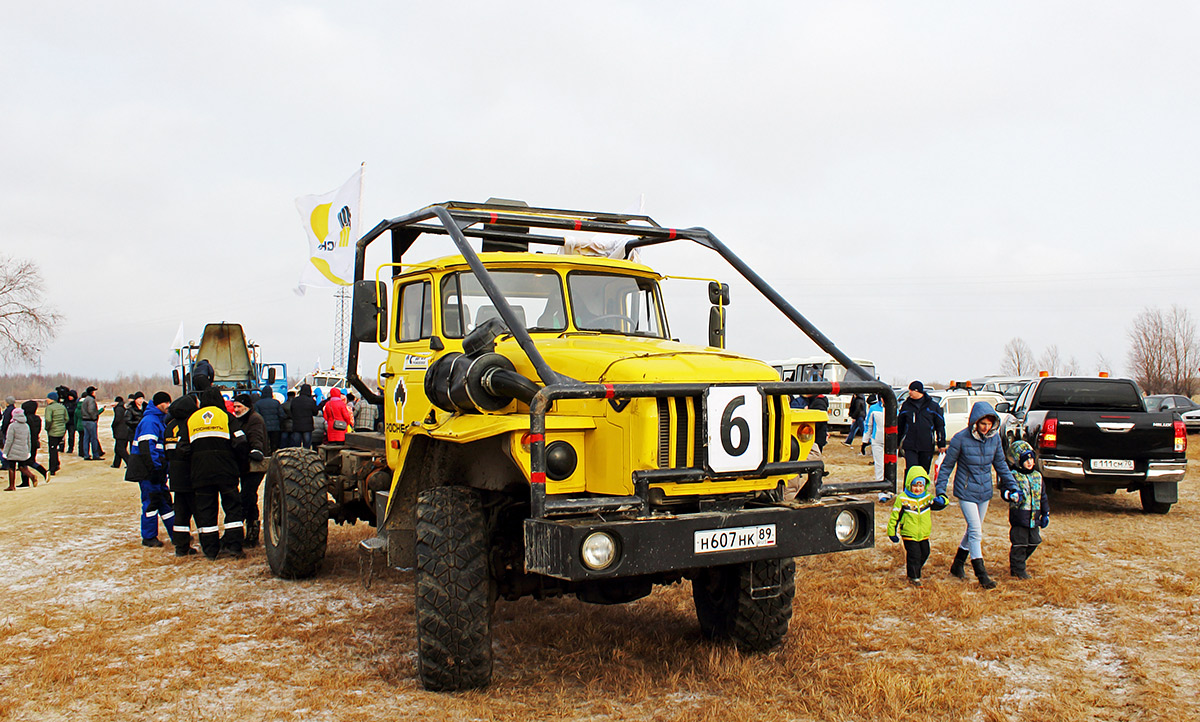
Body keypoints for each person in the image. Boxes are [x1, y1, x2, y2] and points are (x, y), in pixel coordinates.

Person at [934, 400, 1019, 590]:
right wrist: (940, 490)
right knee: (975, 530)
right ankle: (981, 574)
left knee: (974, 529)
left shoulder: (995, 439)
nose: (986, 427)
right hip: (966, 491)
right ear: (974, 422)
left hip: (984, 491)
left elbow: (1001, 465)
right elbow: (947, 467)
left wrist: (1012, 486)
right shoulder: (960, 438)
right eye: (982, 424)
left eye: (989, 424)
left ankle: (957, 565)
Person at [184, 387, 246, 559]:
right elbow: (240, 441)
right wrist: (241, 464)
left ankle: (210, 550)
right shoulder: (226, 417)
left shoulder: (192, 419)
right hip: (226, 471)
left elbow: (183, 448)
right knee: (232, 508)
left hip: (200, 474)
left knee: (206, 510)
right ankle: (234, 546)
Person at [125, 392, 176, 548]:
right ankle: (148, 537)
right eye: (165, 403)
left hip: (157, 469)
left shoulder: (159, 420)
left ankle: (176, 534)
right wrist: (154, 469)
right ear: (158, 404)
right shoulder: (150, 421)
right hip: (149, 471)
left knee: (165, 502)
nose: (168, 406)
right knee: (151, 502)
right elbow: (147, 447)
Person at [886, 465, 942, 586]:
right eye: (915, 485)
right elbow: (895, 517)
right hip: (909, 533)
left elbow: (938, 505)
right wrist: (892, 532)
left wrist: (943, 500)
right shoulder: (902, 499)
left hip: (923, 533)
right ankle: (913, 576)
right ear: (909, 485)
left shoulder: (927, 498)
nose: (918, 489)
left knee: (925, 552)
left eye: (921, 486)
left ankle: (916, 568)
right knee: (914, 554)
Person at [1006, 440, 1050, 579]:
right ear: (1019, 461)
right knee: (1020, 543)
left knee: (1034, 541)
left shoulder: (1037, 476)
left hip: (1034, 516)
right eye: (1026, 459)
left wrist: (1045, 513)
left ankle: (1018, 562)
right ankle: (1018, 569)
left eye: (1031, 458)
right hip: (1020, 516)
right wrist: (1011, 495)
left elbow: (1043, 496)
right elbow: (1005, 491)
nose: (1030, 462)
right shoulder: (1014, 475)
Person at [231, 394, 268, 547]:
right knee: (248, 497)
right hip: (246, 464)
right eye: (234, 407)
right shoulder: (242, 419)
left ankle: (250, 534)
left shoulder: (254, 419)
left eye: (239, 407)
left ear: (247, 406)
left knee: (247, 497)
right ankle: (250, 535)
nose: (236, 410)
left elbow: (256, 437)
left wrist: (256, 450)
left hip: (255, 465)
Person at [165, 395, 200, 556]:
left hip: (176, 476)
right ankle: (208, 545)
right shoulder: (191, 424)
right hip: (190, 474)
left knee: (181, 513)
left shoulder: (170, 425)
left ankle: (181, 546)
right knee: (199, 511)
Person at [897, 381, 946, 473]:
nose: (909, 392)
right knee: (911, 470)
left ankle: (923, 487)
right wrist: (897, 441)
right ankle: (908, 487)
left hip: (926, 445)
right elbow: (900, 425)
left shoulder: (933, 406)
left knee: (923, 471)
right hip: (910, 445)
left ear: (917, 391)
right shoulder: (906, 406)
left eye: (911, 390)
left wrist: (941, 443)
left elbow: (940, 426)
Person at [3, 407, 40, 490]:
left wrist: (5, 452)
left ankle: (12, 486)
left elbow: (9, 440)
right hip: (23, 449)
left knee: (11, 467)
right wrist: (28, 451)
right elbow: (28, 439)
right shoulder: (26, 426)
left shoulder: (12, 426)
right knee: (22, 466)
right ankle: (32, 476)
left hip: (13, 450)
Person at [20, 400, 49, 481]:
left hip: (27, 443)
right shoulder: (37, 418)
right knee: (28, 461)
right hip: (35, 442)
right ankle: (25, 480)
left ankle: (43, 472)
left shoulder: (26, 419)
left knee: (26, 462)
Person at [254, 386, 284, 453]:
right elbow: (281, 415)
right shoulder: (276, 402)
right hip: (275, 427)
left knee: (265, 444)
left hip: (264, 428)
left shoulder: (258, 403)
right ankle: (274, 454)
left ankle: (267, 455)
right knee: (274, 444)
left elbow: (257, 416)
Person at [44, 391, 68, 476]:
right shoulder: (62, 407)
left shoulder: (49, 408)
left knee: (52, 450)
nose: (47, 400)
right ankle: (56, 463)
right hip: (61, 431)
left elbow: (48, 420)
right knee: (55, 448)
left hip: (53, 431)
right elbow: (66, 418)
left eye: (48, 398)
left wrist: (47, 428)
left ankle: (52, 468)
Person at [79, 386, 104, 460]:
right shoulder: (91, 400)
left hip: (85, 421)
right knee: (94, 439)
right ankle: (95, 455)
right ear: (92, 392)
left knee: (86, 438)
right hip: (90, 421)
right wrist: (95, 418)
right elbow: (91, 410)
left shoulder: (85, 400)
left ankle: (86, 454)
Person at [290, 384, 318, 449]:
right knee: (307, 445)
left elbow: (291, 411)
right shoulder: (311, 401)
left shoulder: (294, 400)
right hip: (307, 426)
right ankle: (306, 457)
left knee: (296, 446)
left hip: (296, 425)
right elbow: (315, 412)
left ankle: (297, 457)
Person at [111, 396, 129, 468]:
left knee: (120, 449)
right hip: (124, 431)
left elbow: (117, 419)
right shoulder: (123, 408)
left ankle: (129, 462)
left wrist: (113, 425)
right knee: (118, 448)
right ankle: (116, 464)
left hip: (120, 432)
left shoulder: (119, 409)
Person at [62, 389, 78, 455]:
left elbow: (74, 411)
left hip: (72, 422)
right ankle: (61, 447)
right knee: (62, 435)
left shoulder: (75, 403)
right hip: (65, 421)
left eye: (71, 396)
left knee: (71, 436)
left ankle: (71, 448)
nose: (70, 397)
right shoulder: (65, 402)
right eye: (69, 396)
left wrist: (67, 411)